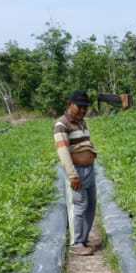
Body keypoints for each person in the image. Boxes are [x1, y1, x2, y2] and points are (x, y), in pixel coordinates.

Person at [54, 90, 98, 256]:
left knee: (91, 205)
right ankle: (76, 243)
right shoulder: (61, 124)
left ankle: (84, 238)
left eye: (85, 107)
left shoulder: (82, 122)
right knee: (78, 206)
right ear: (69, 104)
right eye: (79, 107)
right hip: (77, 172)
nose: (82, 110)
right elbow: (63, 152)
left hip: (89, 170)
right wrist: (72, 174)